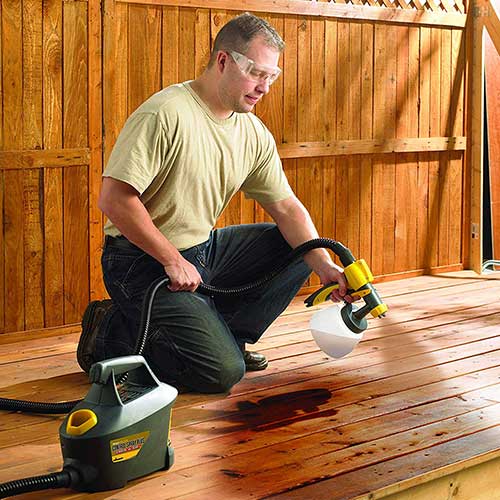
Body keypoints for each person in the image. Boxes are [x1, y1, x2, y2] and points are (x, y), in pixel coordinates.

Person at [77, 12, 351, 393]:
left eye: (271, 77)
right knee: (221, 373)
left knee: (301, 247)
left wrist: (323, 265)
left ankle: (226, 337)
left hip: (201, 252)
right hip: (140, 263)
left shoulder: (251, 131)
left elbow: (287, 208)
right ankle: (110, 331)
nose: (264, 87)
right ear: (223, 61)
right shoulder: (166, 113)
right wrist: (171, 260)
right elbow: (115, 199)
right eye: (256, 73)